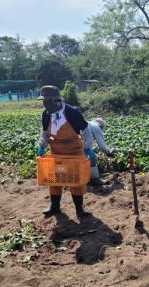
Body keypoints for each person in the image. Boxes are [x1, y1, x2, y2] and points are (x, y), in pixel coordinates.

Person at [36, 85, 95, 218]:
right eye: (43, 101)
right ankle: (55, 207)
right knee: (54, 179)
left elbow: (86, 130)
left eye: (46, 101)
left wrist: (88, 148)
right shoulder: (46, 114)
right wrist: (41, 145)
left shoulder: (71, 112)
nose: (44, 104)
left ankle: (80, 210)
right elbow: (45, 133)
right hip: (56, 151)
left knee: (76, 181)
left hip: (74, 150)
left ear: (55, 100)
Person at [87, 117, 115, 186]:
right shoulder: (96, 127)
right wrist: (109, 152)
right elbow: (102, 146)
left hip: (71, 146)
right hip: (80, 147)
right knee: (92, 156)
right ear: (101, 126)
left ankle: (85, 177)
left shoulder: (88, 124)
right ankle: (95, 179)